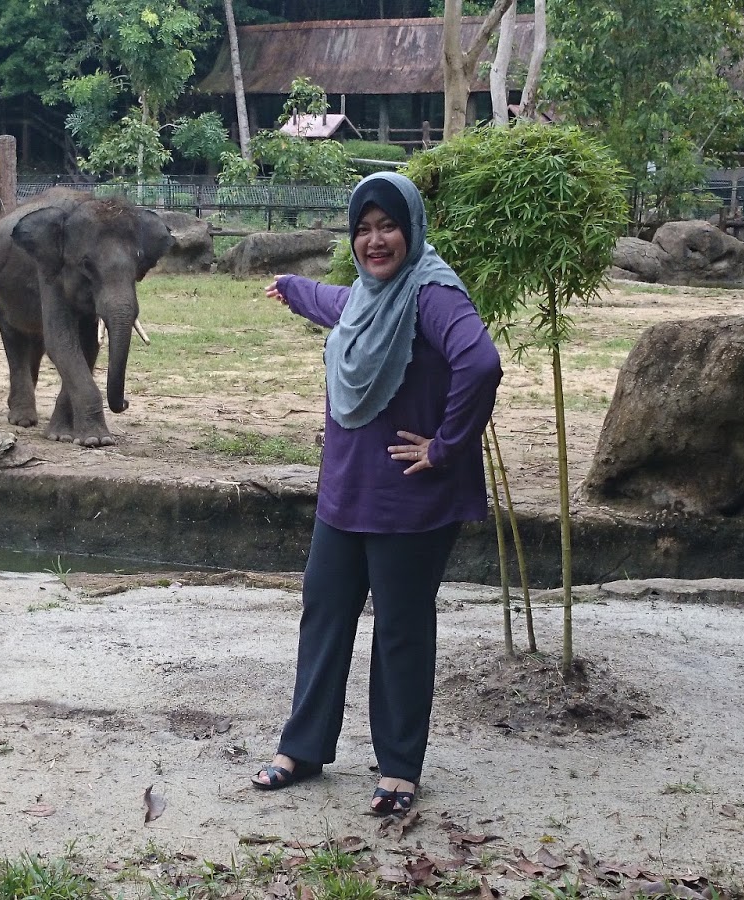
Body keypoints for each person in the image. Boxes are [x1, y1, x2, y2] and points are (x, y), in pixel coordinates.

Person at [251, 171, 502, 816]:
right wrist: (293, 288)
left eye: (388, 226)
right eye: (362, 229)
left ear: (411, 228)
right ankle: (304, 748)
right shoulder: (369, 298)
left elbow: (480, 363)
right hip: (346, 490)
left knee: (400, 629)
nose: (375, 240)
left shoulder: (431, 294)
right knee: (324, 614)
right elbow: (336, 303)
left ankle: (398, 768)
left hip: (408, 500)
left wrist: (445, 447)